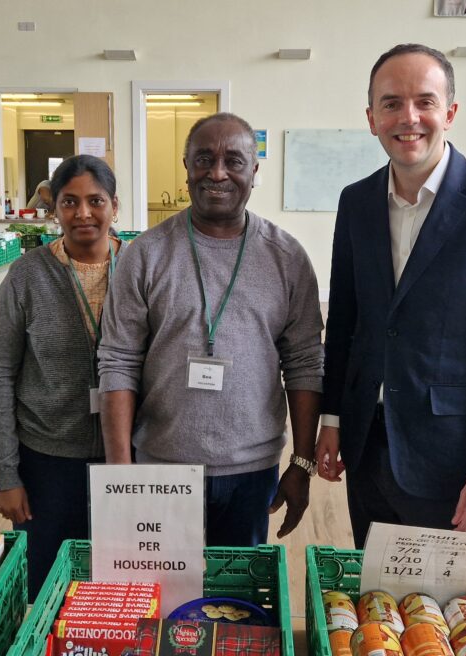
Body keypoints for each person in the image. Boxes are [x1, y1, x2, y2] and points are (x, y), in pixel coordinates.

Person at [316, 44, 466, 549]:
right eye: (392, 103)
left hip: (455, 463)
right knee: (377, 611)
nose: (409, 117)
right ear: (372, 117)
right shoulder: (355, 202)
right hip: (365, 449)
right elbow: (346, 326)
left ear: (450, 112)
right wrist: (330, 418)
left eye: (424, 101)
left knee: (442, 619)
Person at [97, 112, 324, 547]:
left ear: (254, 172)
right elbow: (118, 361)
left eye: (233, 161)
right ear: (186, 167)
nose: (217, 172)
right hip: (160, 467)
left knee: (235, 604)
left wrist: (302, 462)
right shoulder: (145, 255)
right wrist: (120, 475)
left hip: (252, 470)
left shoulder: (286, 258)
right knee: (159, 605)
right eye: (204, 158)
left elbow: (305, 362)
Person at [0, 155, 123, 597]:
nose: (83, 213)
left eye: (95, 200)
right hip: (47, 461)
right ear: (55, 209)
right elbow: (0, 376)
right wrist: (6, 473)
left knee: (118, 586)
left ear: (114, 207)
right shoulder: (27, 276)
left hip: (128, 455)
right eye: (70, 202)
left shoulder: (142, 268)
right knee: (48, 589)